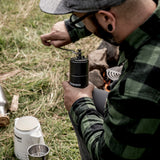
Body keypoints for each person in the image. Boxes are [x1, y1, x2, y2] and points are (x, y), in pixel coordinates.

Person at [40, 0, 160, 159]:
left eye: (79, 18)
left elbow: (107, 155)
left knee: (82, 104)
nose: (81, 23)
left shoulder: (139, 87)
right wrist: (73, 28)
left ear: (107, 19)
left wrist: (79, 103)